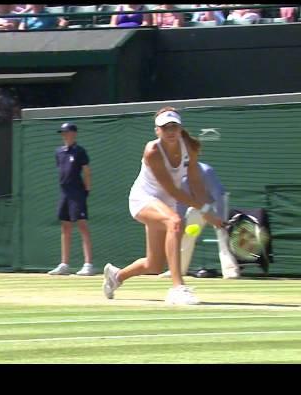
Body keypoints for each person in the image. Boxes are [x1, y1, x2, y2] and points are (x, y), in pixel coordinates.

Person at [102, 107, 224, 305]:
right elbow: (175, 191)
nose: (170, 131)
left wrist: (209, 210)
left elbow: (195, 183)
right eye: (165, 127)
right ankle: (177, 288)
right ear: (157, 130)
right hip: (143, 199)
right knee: (175, 222)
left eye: (173, 126)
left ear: (180, 128)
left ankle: (116, 277)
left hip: (165, 203)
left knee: (154, 264)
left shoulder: (190, 148)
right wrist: (204, 212)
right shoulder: (152, 151)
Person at [158, 161, 240, 279]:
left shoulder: (206, 171)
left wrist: (219, 218)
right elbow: (181, 202)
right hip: (197, 205)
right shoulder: (178, 178)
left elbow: (217, 195)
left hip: (216, 202)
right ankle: (177, 269)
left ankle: (231, 271)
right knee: (186, 235)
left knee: (222, 233)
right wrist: (180, 221)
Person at [48, 122, 95, 276]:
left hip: (77, 193)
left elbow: (87, 172)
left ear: (74, 134)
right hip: (64, 193)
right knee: (65, 227)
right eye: (62, 133)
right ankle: (64, 264)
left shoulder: (80, 151)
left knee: (82, 226)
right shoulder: (59, 152)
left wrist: (86, 191)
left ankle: (88, 264)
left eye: (67, 132)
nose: (64, 135)